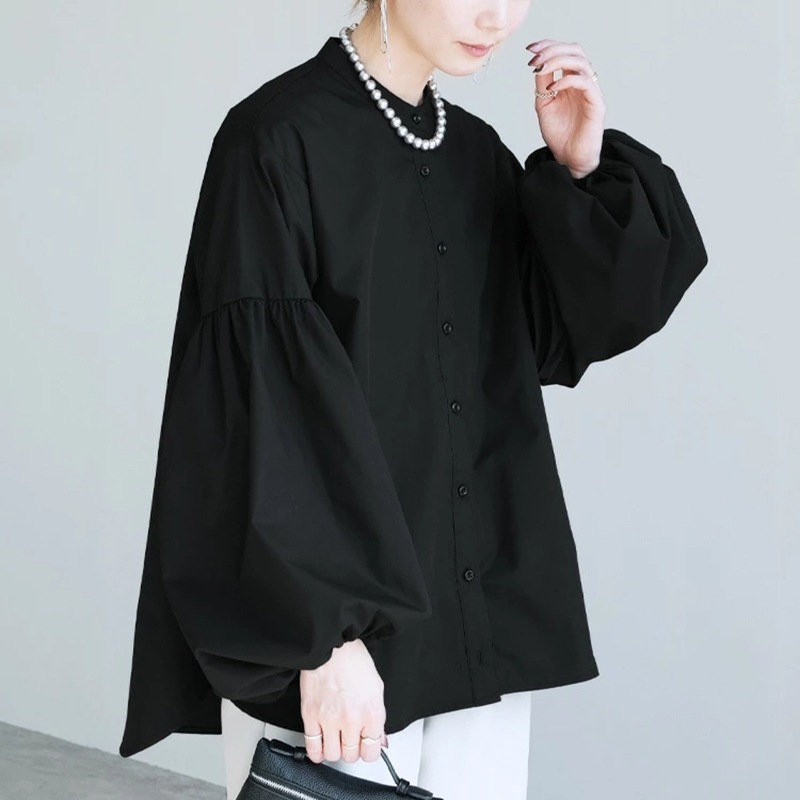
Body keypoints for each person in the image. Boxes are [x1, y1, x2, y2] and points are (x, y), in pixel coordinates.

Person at [118, 1, 709, 798]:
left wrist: (583, 169)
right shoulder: (274, 140)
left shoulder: (475, 155)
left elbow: (569, 326)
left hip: (476, 631)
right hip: (334, 654)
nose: (496, 16)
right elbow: (253, 415)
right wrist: (323, 638)